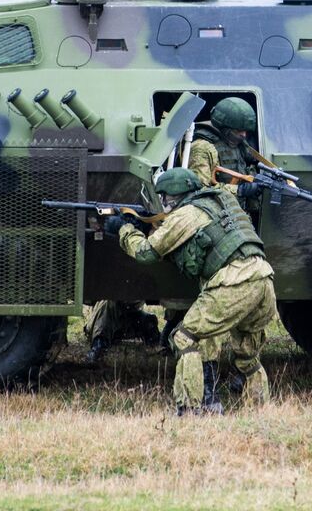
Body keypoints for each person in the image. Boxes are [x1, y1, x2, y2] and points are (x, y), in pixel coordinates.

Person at [104, 168, 277, 414]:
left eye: (164, 198)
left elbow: (146, 252)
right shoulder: (221, 197)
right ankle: (259, 407)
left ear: (171, 197)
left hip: (234, 281)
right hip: (263, 277)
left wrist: (124, 229)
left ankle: (192, 408)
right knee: (246, 352)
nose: (163, 204)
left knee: (184, 338)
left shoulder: (185, 215)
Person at [187, 97, 265, 212]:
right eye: (238, 131)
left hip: (236, 212)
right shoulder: (202, 147)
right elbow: (200, 191)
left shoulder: (238, 143)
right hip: (215, 214)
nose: (243, 135)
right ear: (225, 129)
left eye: (245, 131)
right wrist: (239, 190)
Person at [82, 300, 160, 366]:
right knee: (107, 304)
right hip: (104, 322)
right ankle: (97, 348)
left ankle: (159, 344)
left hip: (128, 318)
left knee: (149, 322)